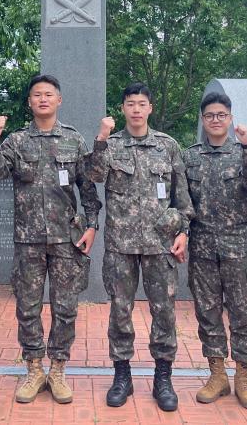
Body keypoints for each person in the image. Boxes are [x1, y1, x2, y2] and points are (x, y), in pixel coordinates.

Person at [0, 74, 101, 404]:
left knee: (65, 308)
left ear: (59, 100)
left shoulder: (73, 140)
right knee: (28, 307)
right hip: (29, 239)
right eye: (37, 95)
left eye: (49, 94)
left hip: (66, 240)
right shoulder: (17, 140)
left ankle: (58, 369)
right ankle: (35, 369)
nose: (43, 99)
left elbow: (88, 188)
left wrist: (92, 225)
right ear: (30, 102)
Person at [86, 82, 193, 412]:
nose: (136, 109)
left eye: (141, 103)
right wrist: (101, 138)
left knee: (164, 312)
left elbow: (182, 196)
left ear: (150, 108)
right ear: (122, 108)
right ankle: (122, 376)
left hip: (161, 245)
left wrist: (183, 231)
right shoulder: (111, 144)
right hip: (121, 245)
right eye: (130, 103)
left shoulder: (167, 145)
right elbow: (94, 175)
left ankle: (163, 377)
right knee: (120, 311)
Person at [183, 92, 247, 409]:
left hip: (238, 247)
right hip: (202, 247)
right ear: (203, 120)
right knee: (207, 312)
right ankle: (217, 375)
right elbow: (183, 201)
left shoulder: (244, 151)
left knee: (242, 312)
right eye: (210, 115)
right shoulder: (190, 156)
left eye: (221, 115)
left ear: (230, 119)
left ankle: (243, 377)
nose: (215, 120)